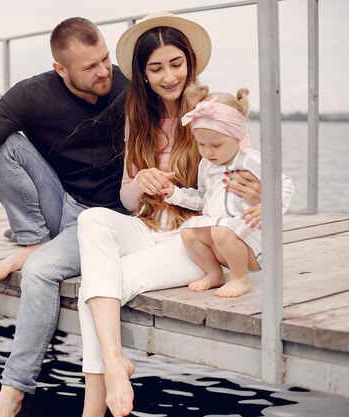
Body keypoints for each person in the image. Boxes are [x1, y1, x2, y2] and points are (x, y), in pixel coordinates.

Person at [74, 11, 282, 417]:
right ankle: (115, 363)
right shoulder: (139, 117)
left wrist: (260, 193)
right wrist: (143, 180)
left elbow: (251, 182)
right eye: (156, 68)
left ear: (190, 63)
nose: (168, 76)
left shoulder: (215, 113)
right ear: (143, 74)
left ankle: (96, 403)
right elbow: (128, 200)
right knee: (92, 219)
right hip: (149, 225)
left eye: (176, 64)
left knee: (99, 288)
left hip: (195, 239)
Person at [0, 17, 130, 417]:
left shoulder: (128, 86)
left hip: (106, 221)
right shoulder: (33, 94)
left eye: (104, 58)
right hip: (63, 206)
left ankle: (13, 391)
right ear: (61, 69)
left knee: (39, 273)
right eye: (90, 66)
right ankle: (34, 240)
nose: (104, 71)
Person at [162, 83, 294, 297]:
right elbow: (203, 198)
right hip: (220, 238)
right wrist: (174, 193)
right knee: (188, 232)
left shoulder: (250, 160)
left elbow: (285, 183)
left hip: (250, 240)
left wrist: (269, 205)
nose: (208, 151)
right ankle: (214, 274)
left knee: (221, 231)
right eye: (201, 144)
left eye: (216, 145)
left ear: (236, 137)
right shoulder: (206, 165)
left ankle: (240, 279)